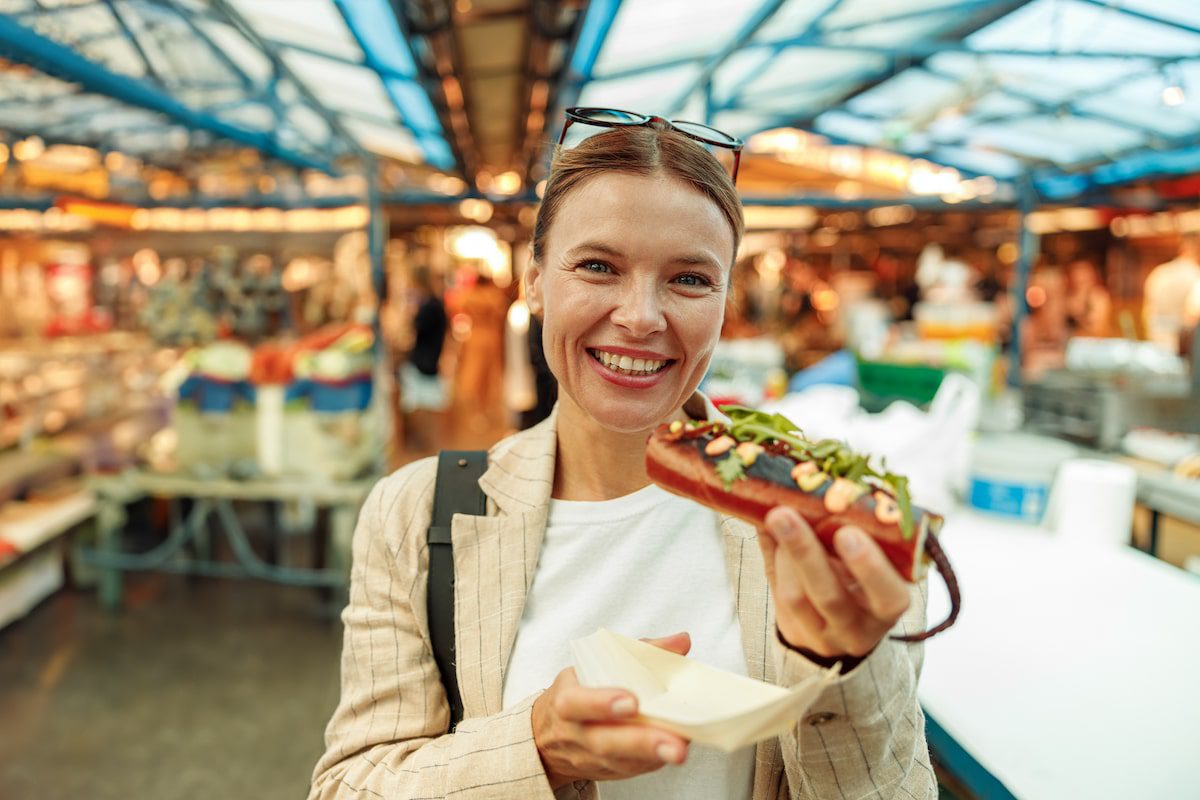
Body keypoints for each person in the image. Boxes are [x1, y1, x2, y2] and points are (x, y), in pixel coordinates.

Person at [309, 112, 934, 799]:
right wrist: (536, 748)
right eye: (599, 266)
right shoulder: (416, 515)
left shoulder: (833, 523)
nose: (640, 317)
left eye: (690, 279)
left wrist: (847, 667)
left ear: (726, 302)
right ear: (536, 281)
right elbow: (348, 786)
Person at [399, 266, 449, 453]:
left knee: (424, 410)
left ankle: (430, 448)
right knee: (426, 409)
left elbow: (414, 329)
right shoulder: (434, 304)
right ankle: (430, 448)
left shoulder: (430, 306)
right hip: (428, 361)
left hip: (424, 363)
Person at [454, 271, 510, 428]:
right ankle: (488, 410)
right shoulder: (494, 296)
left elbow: (459, 306)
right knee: (490, 376)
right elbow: (500, 312)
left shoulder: (470, 296)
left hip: (475, 338)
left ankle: (478, 412)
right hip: (492, 338)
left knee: (475, 374)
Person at [1144, 234, 1200, 353]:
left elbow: (1146, 314)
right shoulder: (1196, 276)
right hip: (1180, 352)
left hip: (1155, 347)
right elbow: (1192, 316)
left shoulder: (1159, 272)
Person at [1065, 258, 1114, 339]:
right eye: (1076, 271)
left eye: (1084, 272)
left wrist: (1079, 310)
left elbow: (1098, 328)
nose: (1079, 276)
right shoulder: (1067, 297)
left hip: (1093, 344)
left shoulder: (1099, 297)